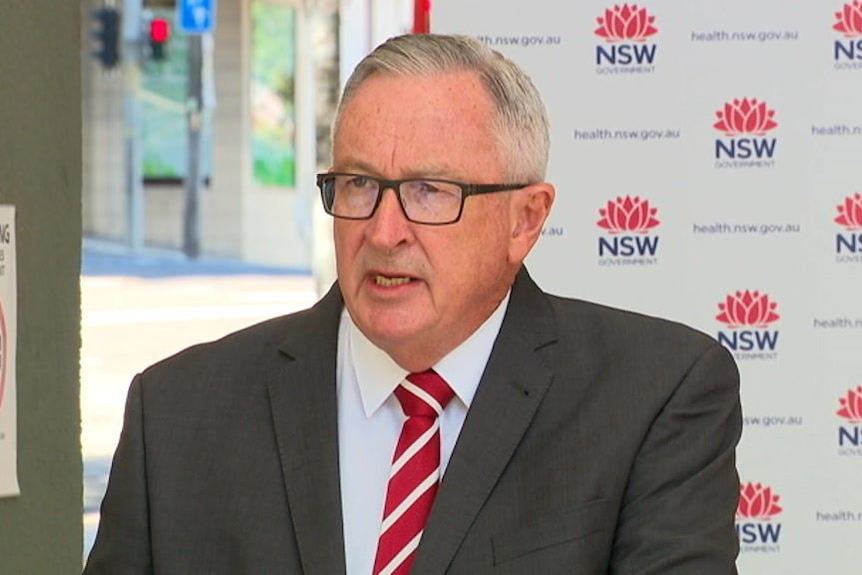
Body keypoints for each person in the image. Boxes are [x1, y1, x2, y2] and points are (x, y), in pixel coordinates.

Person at [84, 33, 742, 574]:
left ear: (526, 218)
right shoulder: (176, 413)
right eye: (359, 183)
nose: (383, 230)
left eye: (430, 191)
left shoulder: (654, 394)